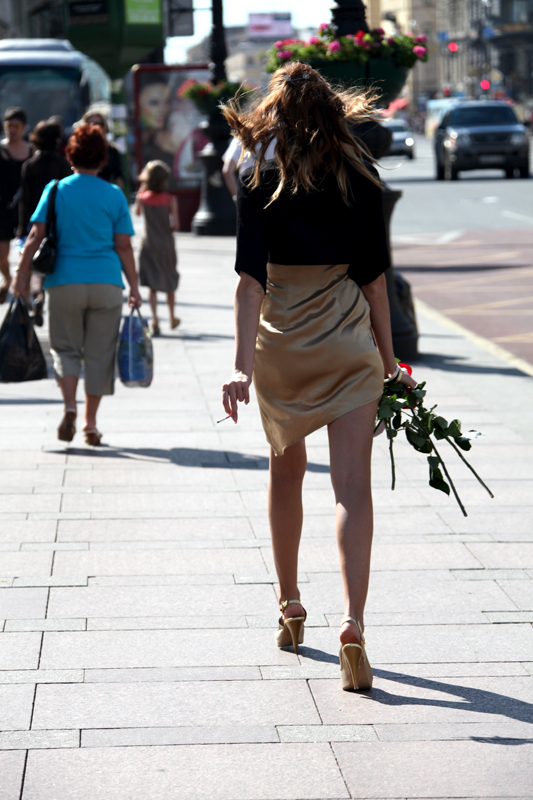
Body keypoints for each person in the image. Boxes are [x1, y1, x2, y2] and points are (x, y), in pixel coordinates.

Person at [220, 62, 417, 692]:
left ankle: (290, 605)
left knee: (286, 474)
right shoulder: (360, 175)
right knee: (352, 487)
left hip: (284, 342)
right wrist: (390, 365)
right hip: (347, 339)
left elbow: (249, 283)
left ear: (274, 114)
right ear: (334, 111)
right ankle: (353, 622)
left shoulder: (258, 176)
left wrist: (241, 367)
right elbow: (376, 284)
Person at [11, 124, 142, 446]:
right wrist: (135, 287)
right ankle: (90, 423)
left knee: (65, 349)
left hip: (64, 281)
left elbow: (35, 236)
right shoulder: (113, 194)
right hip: (106, 283)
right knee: (99, 354)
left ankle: (70, 407)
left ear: (70, 155)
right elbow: (124, 246)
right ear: (102, 158)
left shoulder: (56, 189)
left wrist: (21, 275)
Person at [17, 120, 70, 325]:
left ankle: (32, 296)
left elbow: (24, 199)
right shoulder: (64, 165)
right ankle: (41, 295)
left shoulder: (30, 165)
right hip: (57, 222)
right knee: (50, 260)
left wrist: (22, 227)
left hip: (34, 221)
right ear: (57, 140)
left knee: (31, 260)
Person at [134, 160, 180, 335]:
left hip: (148, 244)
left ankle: (155, 320)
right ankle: (172, 317)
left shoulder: (142, 198)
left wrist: (142, 190)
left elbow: (137, 213)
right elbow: (176, 225)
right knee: (169, 281)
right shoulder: (170, 200)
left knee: (152, 285)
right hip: (166, 245)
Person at [0, 107, 32, 303]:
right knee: (1, 255)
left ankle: (24, 292)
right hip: (2, 208)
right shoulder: (1, 150)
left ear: (24, 128)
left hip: (26, 209)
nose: (12, 130)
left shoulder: (32, 151)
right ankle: (8, 278)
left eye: (17, 126)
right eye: (9, 125)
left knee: (27, 252)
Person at [222, 137, 277, 202]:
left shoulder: (240, 139)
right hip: (273, 193)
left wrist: (238, 197)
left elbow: (227, 170)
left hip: (249, 194)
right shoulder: (275, 136)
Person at [81, 110, 124, 188]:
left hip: (104, 190)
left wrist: (114, 192)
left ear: (104, 127)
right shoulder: (79, 149)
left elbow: (118, 176)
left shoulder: (111, 151)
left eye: (98, 123)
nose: (94, 127)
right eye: (89, 123)